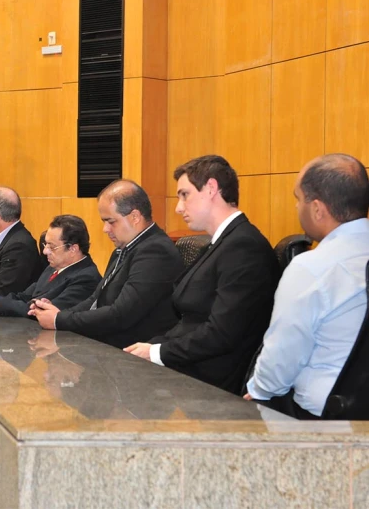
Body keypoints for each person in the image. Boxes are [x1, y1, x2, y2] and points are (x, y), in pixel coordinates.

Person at [124, 154, 280, 395]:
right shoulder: (221, 243)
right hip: (189, 369)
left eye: (184, 195)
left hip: (209, 385)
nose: (178, 207)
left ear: (211, 188)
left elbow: (222, 334)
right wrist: (152, 347)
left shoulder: (243, 246)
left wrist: (155, 352)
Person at [245, 154, 369, 418]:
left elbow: (280, 363)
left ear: (317, 209)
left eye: (297, 199)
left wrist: (257, 390)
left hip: (318, 420)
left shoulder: (311, 268)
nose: (296, 208)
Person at [31, 181, 183, 349]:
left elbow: (122, 314)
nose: (105, 229)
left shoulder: (155, 251)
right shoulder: (125, 248)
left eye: (111, 221)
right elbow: (95, 299)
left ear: (135, 217)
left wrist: (59, 320)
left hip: (133, 355)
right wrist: (58, 314)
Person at [0, 215, 101, 317]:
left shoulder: (86, 277)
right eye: (45, 245)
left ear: (73, 249)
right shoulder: (52, 268)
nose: (45, 251)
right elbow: (24, 297)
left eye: (52, 247)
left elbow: (40, 312)